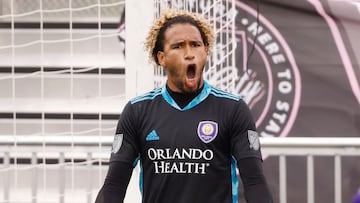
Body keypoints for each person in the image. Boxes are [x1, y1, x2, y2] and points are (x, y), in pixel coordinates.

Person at [95, 9, 273, 203]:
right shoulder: (137, 110)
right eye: (179, 46)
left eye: (196, 45)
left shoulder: (233, 108)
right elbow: (114, 185)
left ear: (206, 51)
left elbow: (254, 181)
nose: (189, 54)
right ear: (161, 58)